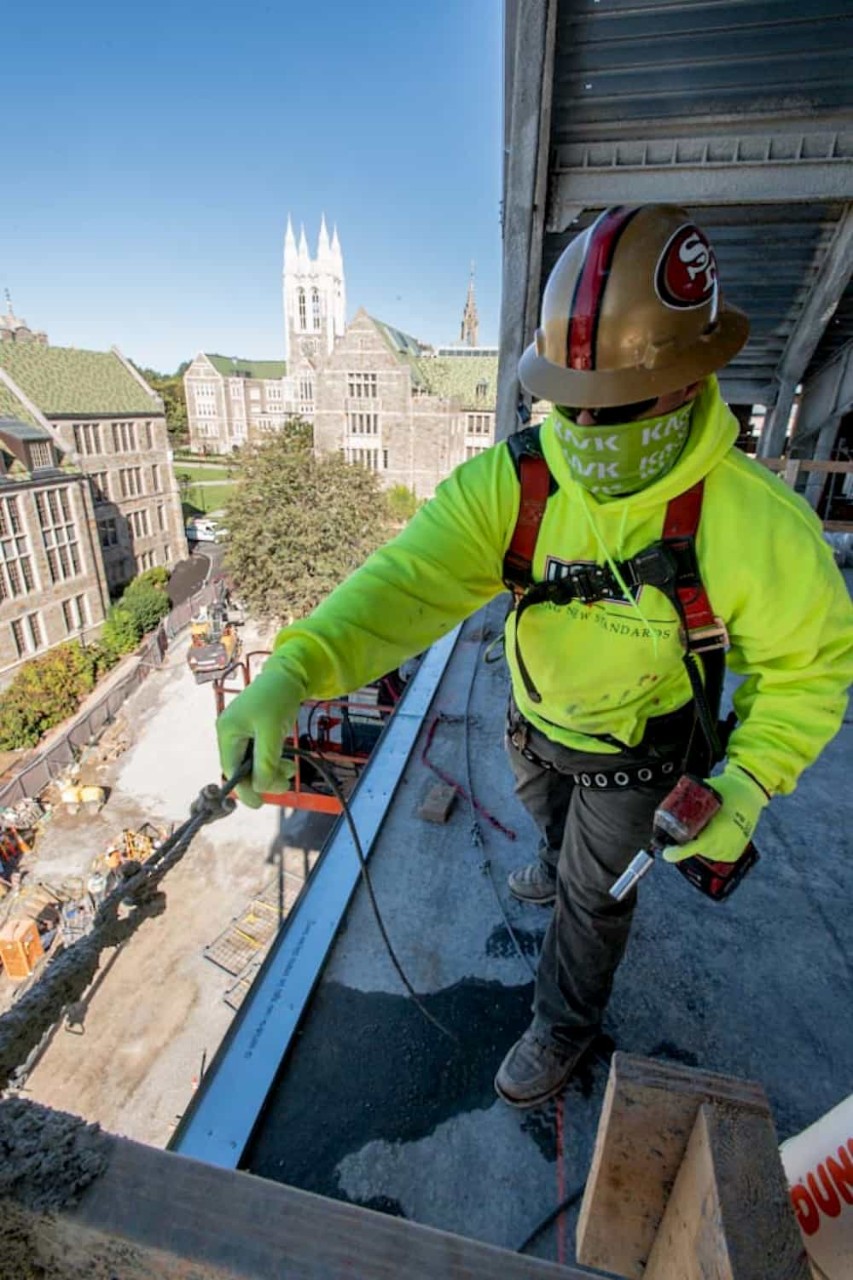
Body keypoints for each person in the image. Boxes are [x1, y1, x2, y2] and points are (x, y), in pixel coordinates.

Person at [217, 204, 853, 1108]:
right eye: (570, 402)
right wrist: (293, 671)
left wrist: (745, 784)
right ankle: (555, 861)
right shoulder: (516, 482)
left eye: (616, 407)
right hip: (536, 724)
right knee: (550, 827)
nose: (588, 428)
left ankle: (564, 1021)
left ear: (688, 380)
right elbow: (406, 582)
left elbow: (808, 671)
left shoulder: (753, 526)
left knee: (595, 903)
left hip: (638, 759)